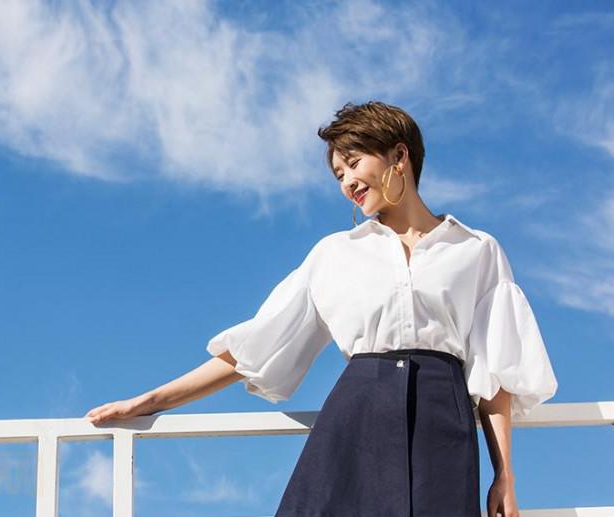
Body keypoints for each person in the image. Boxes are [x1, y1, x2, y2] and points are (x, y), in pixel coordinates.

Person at [84, 100, 558, 517]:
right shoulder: (335, 254)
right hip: (357, 421)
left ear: (399, 156)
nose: (347, 182)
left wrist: (505, 475)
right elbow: (255, 347)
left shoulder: (476, 249)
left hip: (443, 424)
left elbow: (495, 373)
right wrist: (151, 401)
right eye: (338, 175)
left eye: (353, 163)